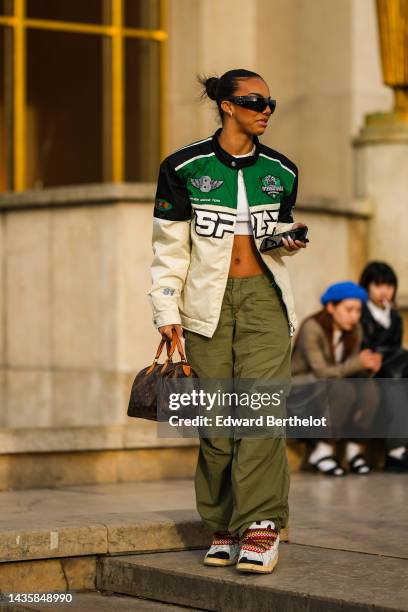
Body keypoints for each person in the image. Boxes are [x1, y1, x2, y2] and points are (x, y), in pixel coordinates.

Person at [147, 68, 307, 574]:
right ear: (226, 105)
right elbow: (169, 249)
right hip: (204, 306)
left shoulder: (283, 171)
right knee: (217, 426)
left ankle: (260, 525)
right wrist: (166, 309)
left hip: (264, 300)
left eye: (271, 102)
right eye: (255, 101)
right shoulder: (183, 166)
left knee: (260, 414)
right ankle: (223, 521)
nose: (265, 110)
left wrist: (287, 239)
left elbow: (271, 236)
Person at [291, 281, 382, 476]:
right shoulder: (312, 327)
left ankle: (354, 451)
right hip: (302, 389)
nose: (354, 316)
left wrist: (367, 368)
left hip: (332, 385)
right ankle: (322, 452)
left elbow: (347, 369)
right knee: (343, 389)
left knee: (369, 389)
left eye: (358, 311)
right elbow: (322, 372)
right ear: (331, 307)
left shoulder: (354, 330)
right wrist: (357, 363)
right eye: (349, 310)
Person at [359, 261, 408, 472]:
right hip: (370, 372)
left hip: (393, 371)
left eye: (389, 286)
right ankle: (396, 451)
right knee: (396, 386)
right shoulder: (359, 313)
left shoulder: (395, 317)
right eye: (378, 285)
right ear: (366, 287)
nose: (384, 291)